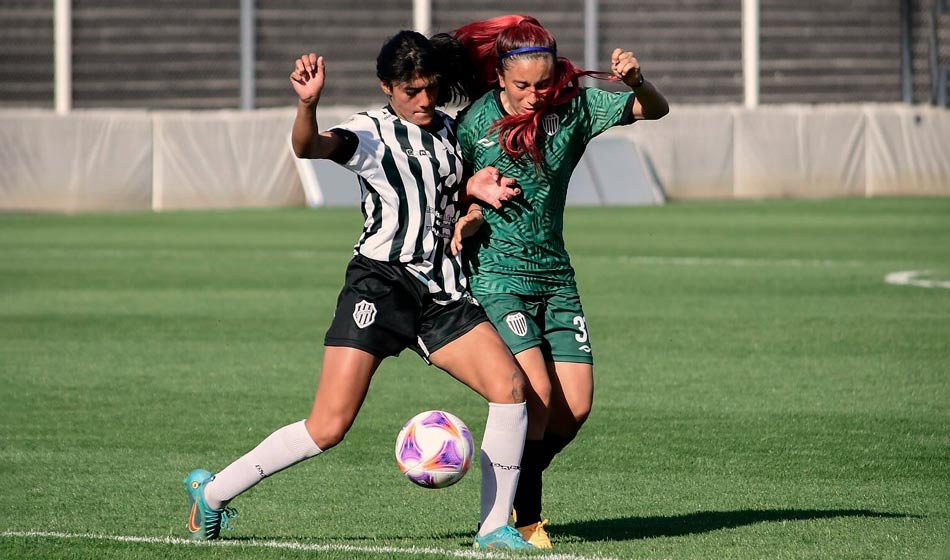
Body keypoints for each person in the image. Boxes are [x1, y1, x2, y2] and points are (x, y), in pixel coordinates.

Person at [182, 30, 535, 550]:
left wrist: (472, 200)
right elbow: (311, 146)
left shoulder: (448, 133)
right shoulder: (369, 133)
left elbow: (439, 189)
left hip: (441, 292)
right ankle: (212, 494)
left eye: (431, 88)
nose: (424, 100)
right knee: (328, 426)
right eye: (411, 91)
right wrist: (308, 106)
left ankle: (493, 530)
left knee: (511, 389)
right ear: (386, 88)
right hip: (380, 286)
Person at [448, 15, 670, 549]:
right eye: (521, 85)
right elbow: (451, 191)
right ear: (499, 77)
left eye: (542, 84)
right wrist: (468, 212)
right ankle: (522, 517)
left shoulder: (576, 107)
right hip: (499, 276)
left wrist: (637, 81)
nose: (532, 95)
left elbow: (654, 109)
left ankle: (505, 474)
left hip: (556, 276)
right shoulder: (474, 124)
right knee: (538, 397)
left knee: (576, 407)